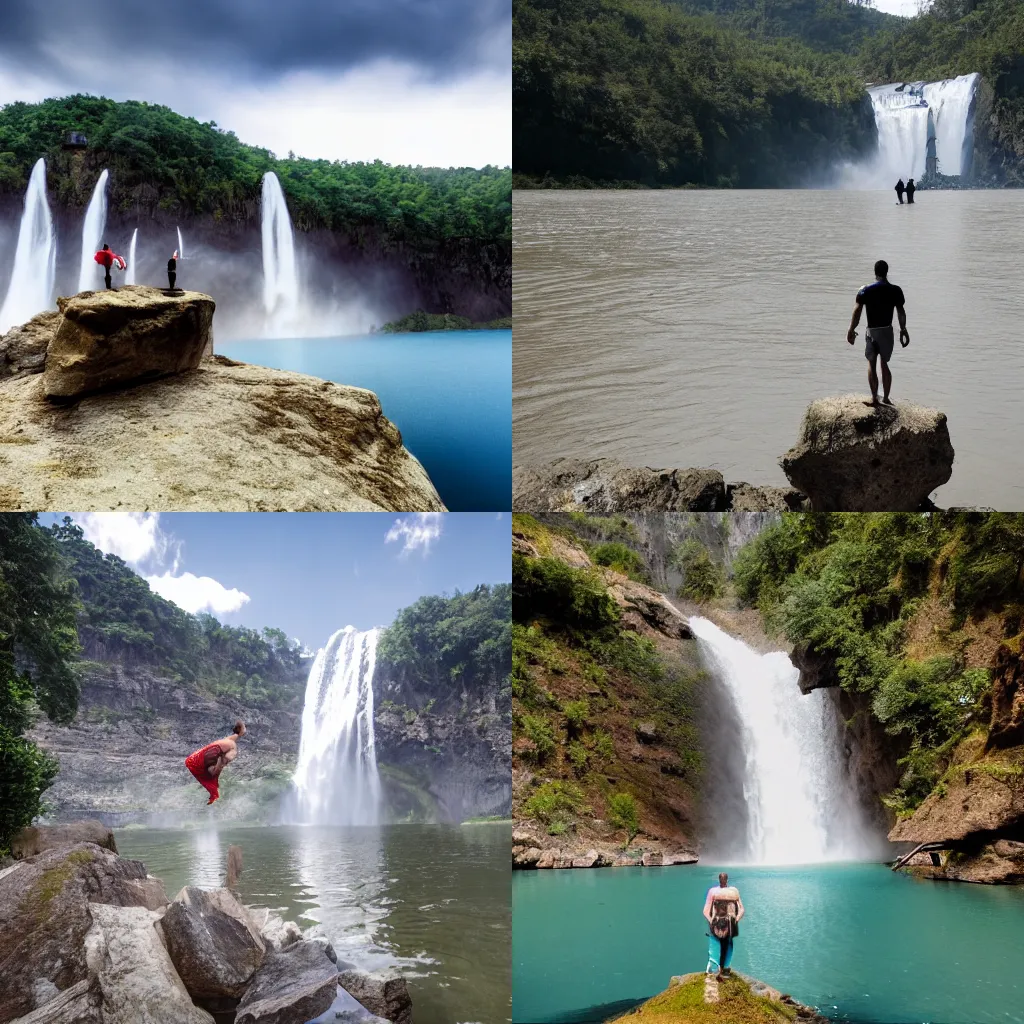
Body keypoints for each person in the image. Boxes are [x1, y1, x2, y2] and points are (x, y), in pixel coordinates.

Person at [847, 259, 909, 407]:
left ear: (875, 273)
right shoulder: (896, 290)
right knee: (884, 363)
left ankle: (875, 398)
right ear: (887, 272)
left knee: (871, 362)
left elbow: (857, 311)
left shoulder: (865, 290)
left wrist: (851, 329)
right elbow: (901, 311)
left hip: (872, 332)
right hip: (887, 331)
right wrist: (903, 329)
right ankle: (886, 398)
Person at [185, 721, 246, 804]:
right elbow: (225, 760)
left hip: (192, 759)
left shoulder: (226, 739)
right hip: (200, 765)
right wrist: (220, 763)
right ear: (242, 731)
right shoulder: (233, 747)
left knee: (213, 783)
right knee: (215, 793)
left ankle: (205, 790)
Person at [703, 872, 744, 981]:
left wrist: (712, 921)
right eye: (722, 878)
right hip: (727, 924)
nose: (723, 880)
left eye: (723, 878)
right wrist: (735, 919)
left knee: (722, 945)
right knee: (721, 945)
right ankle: (718, 969)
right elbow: (706, 911)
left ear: (726, 879)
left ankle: (720, 969)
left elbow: (741, 909)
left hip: (724, 923)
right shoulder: (731, 891)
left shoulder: (717, 891)